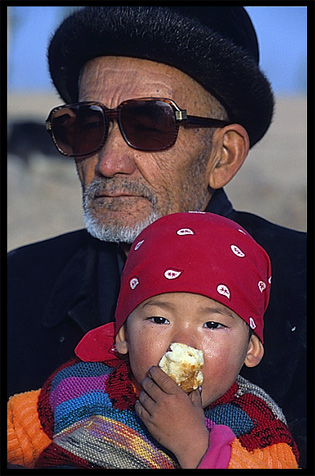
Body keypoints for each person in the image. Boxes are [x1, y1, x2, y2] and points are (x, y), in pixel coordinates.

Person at [7, 6, 306, 467]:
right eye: (86, 124)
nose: (108, 163)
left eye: (149, 124)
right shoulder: (18, 283)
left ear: (223, 155)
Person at [7, 212, 299, 469]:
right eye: (159, 320)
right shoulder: (81, 386)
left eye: (212, 324)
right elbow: (15, 433)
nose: (182, 343)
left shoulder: (255, 424)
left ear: (250, 349)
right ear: (123, 335)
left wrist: (195, 447)